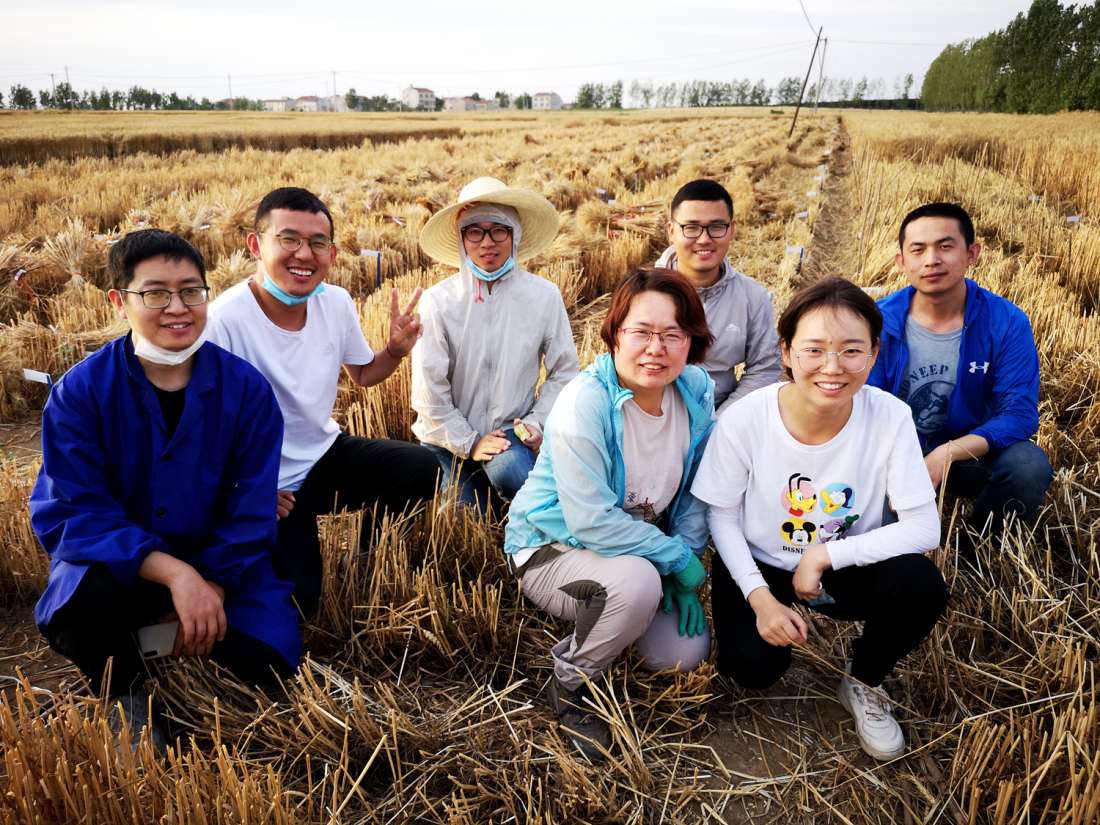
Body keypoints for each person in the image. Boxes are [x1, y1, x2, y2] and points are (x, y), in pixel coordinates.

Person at [31, 229, 300, 747]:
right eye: (155, 293)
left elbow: (251, 510)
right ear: (119, 300)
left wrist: (212, 585)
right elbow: (74, 512)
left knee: (268, 658)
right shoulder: (81, 393)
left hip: (217, 562)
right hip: (118, 567)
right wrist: (176, 576)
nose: (177, 307)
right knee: (81, 617)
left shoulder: (245, 391)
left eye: (191, 291)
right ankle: (128, 691)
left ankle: (154, 640)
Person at [692, 277, 948, 762]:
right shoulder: (744, 419)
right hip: (760, 560)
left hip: (841, 563)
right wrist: (761, 597)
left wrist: (828, 554)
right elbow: (720, 517)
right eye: (814, 350)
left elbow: (923, 528)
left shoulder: (890, 417)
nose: (833, 368)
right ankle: (767, 614)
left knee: (922, 586)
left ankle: (864, 678)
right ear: (786, 352)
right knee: (752, 668)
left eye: (852, 351)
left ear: (874, 354)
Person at [505, 268, 715, 760]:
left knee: (679, 656)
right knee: (637, 585)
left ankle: (620, 606)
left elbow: (695, 494)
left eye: (673, 334)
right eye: (640, 332)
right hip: (549, 549)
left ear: (692, 341)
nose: (655, 348)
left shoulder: (695, 390)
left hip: (632, 548)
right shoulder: (586, 402)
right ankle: (570, 684)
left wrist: (684, 562)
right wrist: (669, 559)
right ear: (615, 332)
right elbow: (589, 521)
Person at [206, 187, 439, 617]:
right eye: (288, 239)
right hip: (268, 481)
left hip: (322, 454)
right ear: (256, 245)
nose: (304, 254)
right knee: (301, 602)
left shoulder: (335, 302)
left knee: (425, 469)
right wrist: (245, 488)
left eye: (317, 243)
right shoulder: (223, 322)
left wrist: (395, 352)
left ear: (331, 252)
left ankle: (366, 553)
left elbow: (365, 375)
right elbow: (199, 429)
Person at [867, 202, 1053, 547]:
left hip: (969, 452)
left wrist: (945, 454)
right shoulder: (877, 322)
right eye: (918, 250)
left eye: (945, 246)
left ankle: (977, 546)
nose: (931, 259)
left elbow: (1019, 414)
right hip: (892, 450)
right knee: (880, 534)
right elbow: (864, 405)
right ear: (901, 261)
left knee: (1029, 467)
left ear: (972, 254)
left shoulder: (1007, 322)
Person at [413, 177, 579, 512]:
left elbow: (565, 371)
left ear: (514, 235)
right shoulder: (438, 301)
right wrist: (470, 442)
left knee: (515, 476)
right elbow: (428, 393)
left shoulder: (543, 296)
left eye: (498, 230)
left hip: (510, 435)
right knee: (462, 519)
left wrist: (535, 422)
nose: (487, 242)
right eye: (475, 231)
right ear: (462, 239)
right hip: (447, 441)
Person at [654, 179, 781, 413]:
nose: (704, 239)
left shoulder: (753, 297)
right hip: (653, 416)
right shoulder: (643, 295)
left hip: (721, 412)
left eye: (716, 227)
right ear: (671, 231)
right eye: (691, 227)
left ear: (732, 229)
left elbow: (765, 368)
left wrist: (722, 423)